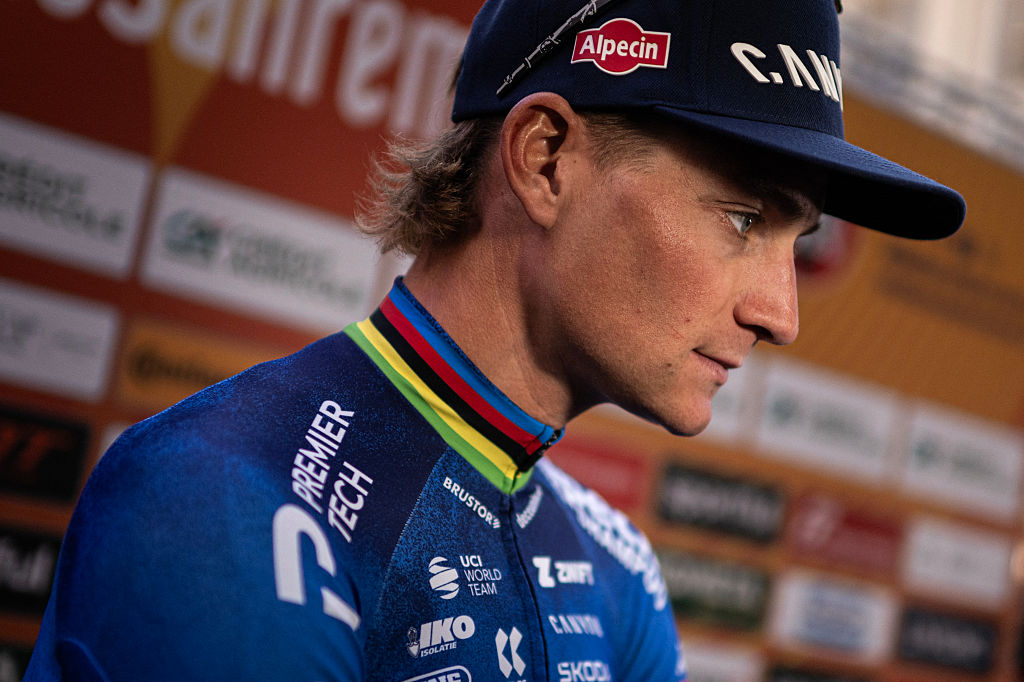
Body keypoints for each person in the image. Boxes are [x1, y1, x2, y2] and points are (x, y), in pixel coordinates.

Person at [26, 0, 965, 679]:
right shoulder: (226, 504)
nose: (781, 313)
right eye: (740, 219)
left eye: (795, 243)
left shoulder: (617, 573)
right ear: (545, 158)